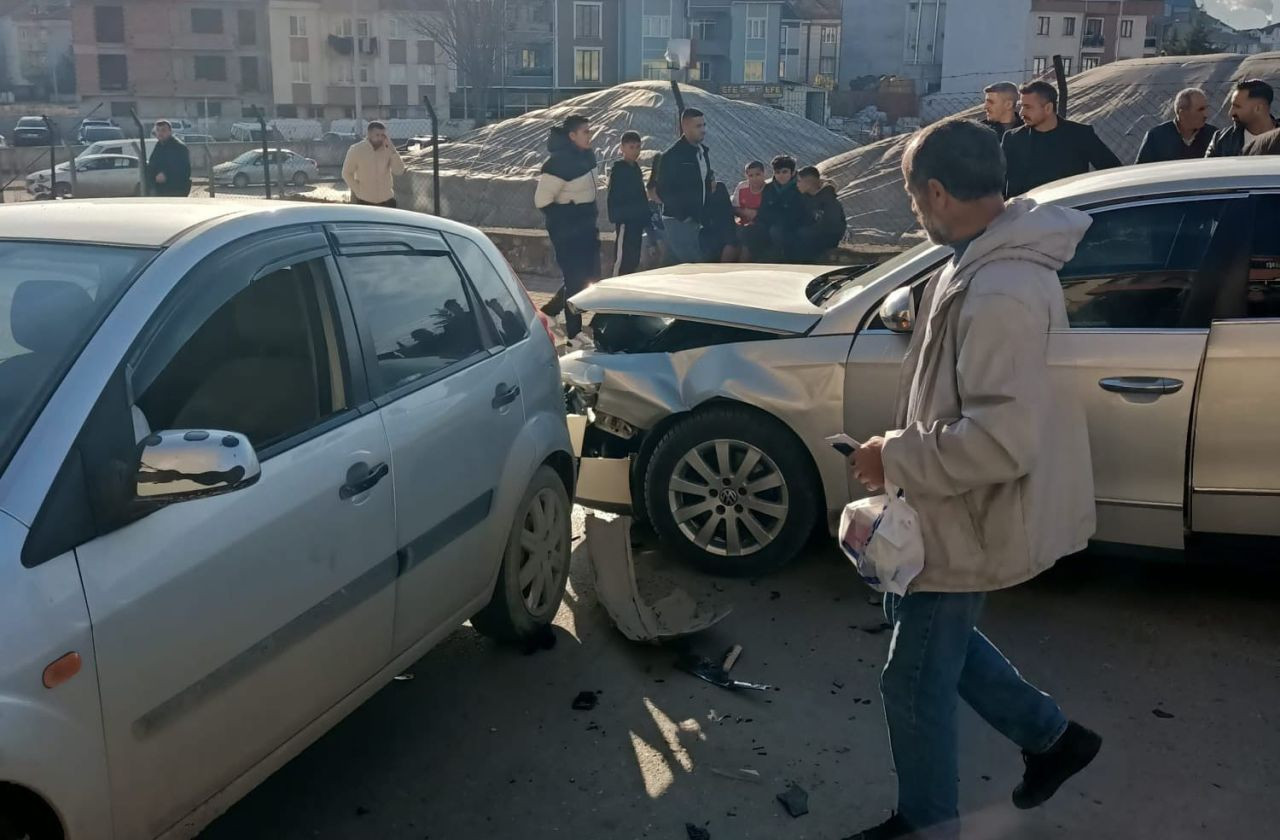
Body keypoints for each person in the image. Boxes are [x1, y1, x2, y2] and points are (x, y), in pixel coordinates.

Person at [843, 119, 1100, 840]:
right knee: (924, 637)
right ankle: (1052, 738)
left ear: (935, 191)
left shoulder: (1001, 289)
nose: (913, 213)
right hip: (951, 510)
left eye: (912, 197)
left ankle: (928, 824)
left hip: (972, 514)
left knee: (914, 679)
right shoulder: (980, 259)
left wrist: (890, 456)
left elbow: (999, 440)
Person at [533, 113, 600, 349]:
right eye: (585, 132)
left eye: (590, 131)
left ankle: (550, 312)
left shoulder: (586, 156)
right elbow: (542, 201)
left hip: (587, 227)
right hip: (568, 232)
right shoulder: (558, 164)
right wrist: (570, 216)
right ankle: (573, 335)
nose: (590, 136)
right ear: (572, 136)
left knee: (587, 277)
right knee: (574, 279)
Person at [1002, 80, 1121, 197]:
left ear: (1048, 108)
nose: (1021, 112)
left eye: (1027, 107)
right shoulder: (1013, 139)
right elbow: (996, 181)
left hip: (1067, 211)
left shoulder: (1080, 135)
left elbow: (1114, 172)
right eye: (1021, 106)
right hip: (1023, 213)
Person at [656, 108, 713, 264]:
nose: (703, 130)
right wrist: (684, 216)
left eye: (704, 125)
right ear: (685, 127)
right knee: (693, 265)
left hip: (695, 219)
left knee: (675, 265)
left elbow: (704, 182)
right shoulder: (672, 156)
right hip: (678, 219)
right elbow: (663, 189)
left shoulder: (702, 152)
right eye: (698, 126)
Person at [1135, 87, 1217, 163]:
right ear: (1182, 113)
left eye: (1206, 108)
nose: (1206, 114)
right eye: (1200, 110)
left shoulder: (1214, 136)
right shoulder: (1156, 137)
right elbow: (1142, 170)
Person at [607, 130, 650, 276]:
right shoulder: (619, 169)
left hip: (636, 222)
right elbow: (614, 196)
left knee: (633, 259)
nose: (635, 151)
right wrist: (621, 217)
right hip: (626, 222)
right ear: (622, 148)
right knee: (622, 259)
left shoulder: (636, 168)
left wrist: (645, 216)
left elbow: (641, 194)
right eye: (631, 147)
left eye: (638, 147)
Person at [747, 155, 804, 262]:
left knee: (777, 231)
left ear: (792, 172)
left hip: (792, 228)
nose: (781, 175)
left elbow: (797, 214)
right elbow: (763, 210)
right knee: (750, 231)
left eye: (784, 172)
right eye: (777, 172)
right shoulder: (769, 188)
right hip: (770, 225)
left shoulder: (799, 188)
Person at [787, 166, 847, 263]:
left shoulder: (829, 200)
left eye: (799, 181)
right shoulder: (805, 198)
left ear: (808, 183)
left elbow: (832, 225)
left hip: (828, 237)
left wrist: (808, 230)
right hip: (810, 234)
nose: (796, 184)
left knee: (801, 236)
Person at [1206, 79, 1278, 158]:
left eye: (1237, 106)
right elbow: (1209, 168)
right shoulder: (1221, 140)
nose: (1231, 113)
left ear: (1258, 108)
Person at [342, 121, 406, 207]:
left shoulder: (388, 149)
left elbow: (399, 171)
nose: (380, 138)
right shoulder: (356, 150)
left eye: (383, 135)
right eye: (377, 135)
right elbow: (346, 173)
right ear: (369, 134)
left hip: (387, 200)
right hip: (365, 201)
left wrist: (393, 150)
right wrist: (358, 191)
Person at [147, 120, 191, 197]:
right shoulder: (159, 146)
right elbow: (153, 164)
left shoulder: (179, 147)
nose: (160, 133)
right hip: (160, 189)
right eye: (158, 130)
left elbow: (184, 170)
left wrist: (166, 175)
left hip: (176, 190)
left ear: (170, 132)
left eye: (163, 130)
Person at [700, 181, 740, 262]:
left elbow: (727, 210)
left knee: (730, 242)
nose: (713, 182)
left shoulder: (720, 187)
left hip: (725, 224)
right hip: (709, 227)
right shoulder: (701, 192)